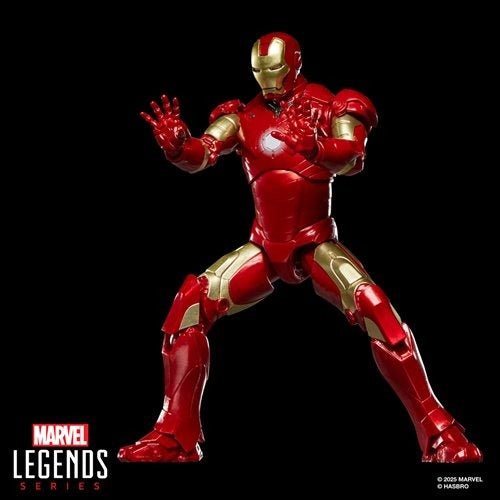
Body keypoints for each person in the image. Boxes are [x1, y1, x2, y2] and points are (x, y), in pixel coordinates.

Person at [118, 32, 482, 463]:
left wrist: (317, 146)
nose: (267, 79)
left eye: (274, 69)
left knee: (378, 311)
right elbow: (203, 153)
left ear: (294, 63)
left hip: (315, 243)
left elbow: (352, 156)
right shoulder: (242, 116)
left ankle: (440, 434)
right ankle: (175, 438)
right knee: (189, 305)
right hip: (262, 246)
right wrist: (178, 146)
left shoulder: (330, 104)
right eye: (259, 71)